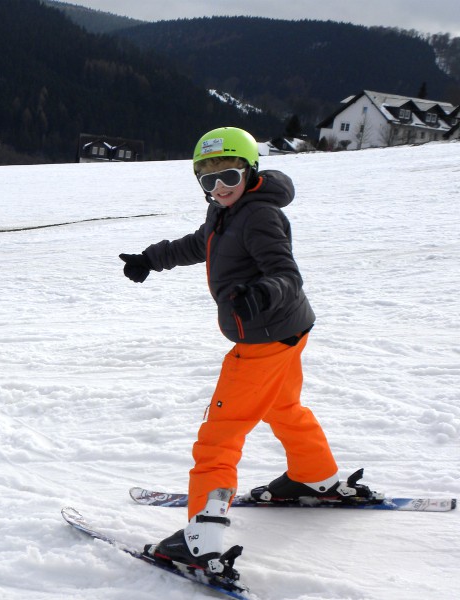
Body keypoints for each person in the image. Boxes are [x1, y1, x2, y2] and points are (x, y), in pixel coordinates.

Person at [119, 127, 369, 580]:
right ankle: (316, 475)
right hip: (288, 330)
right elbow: (197, 245)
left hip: (265, 337)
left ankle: (201, 539)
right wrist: (149, 259)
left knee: (220, 435)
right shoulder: (225, 212)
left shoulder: (259, 216)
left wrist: (262, 293)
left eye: (228, 177)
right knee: (283, 406)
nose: (218, 189)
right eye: (207, 181)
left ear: (250, 171)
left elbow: (286, 273)